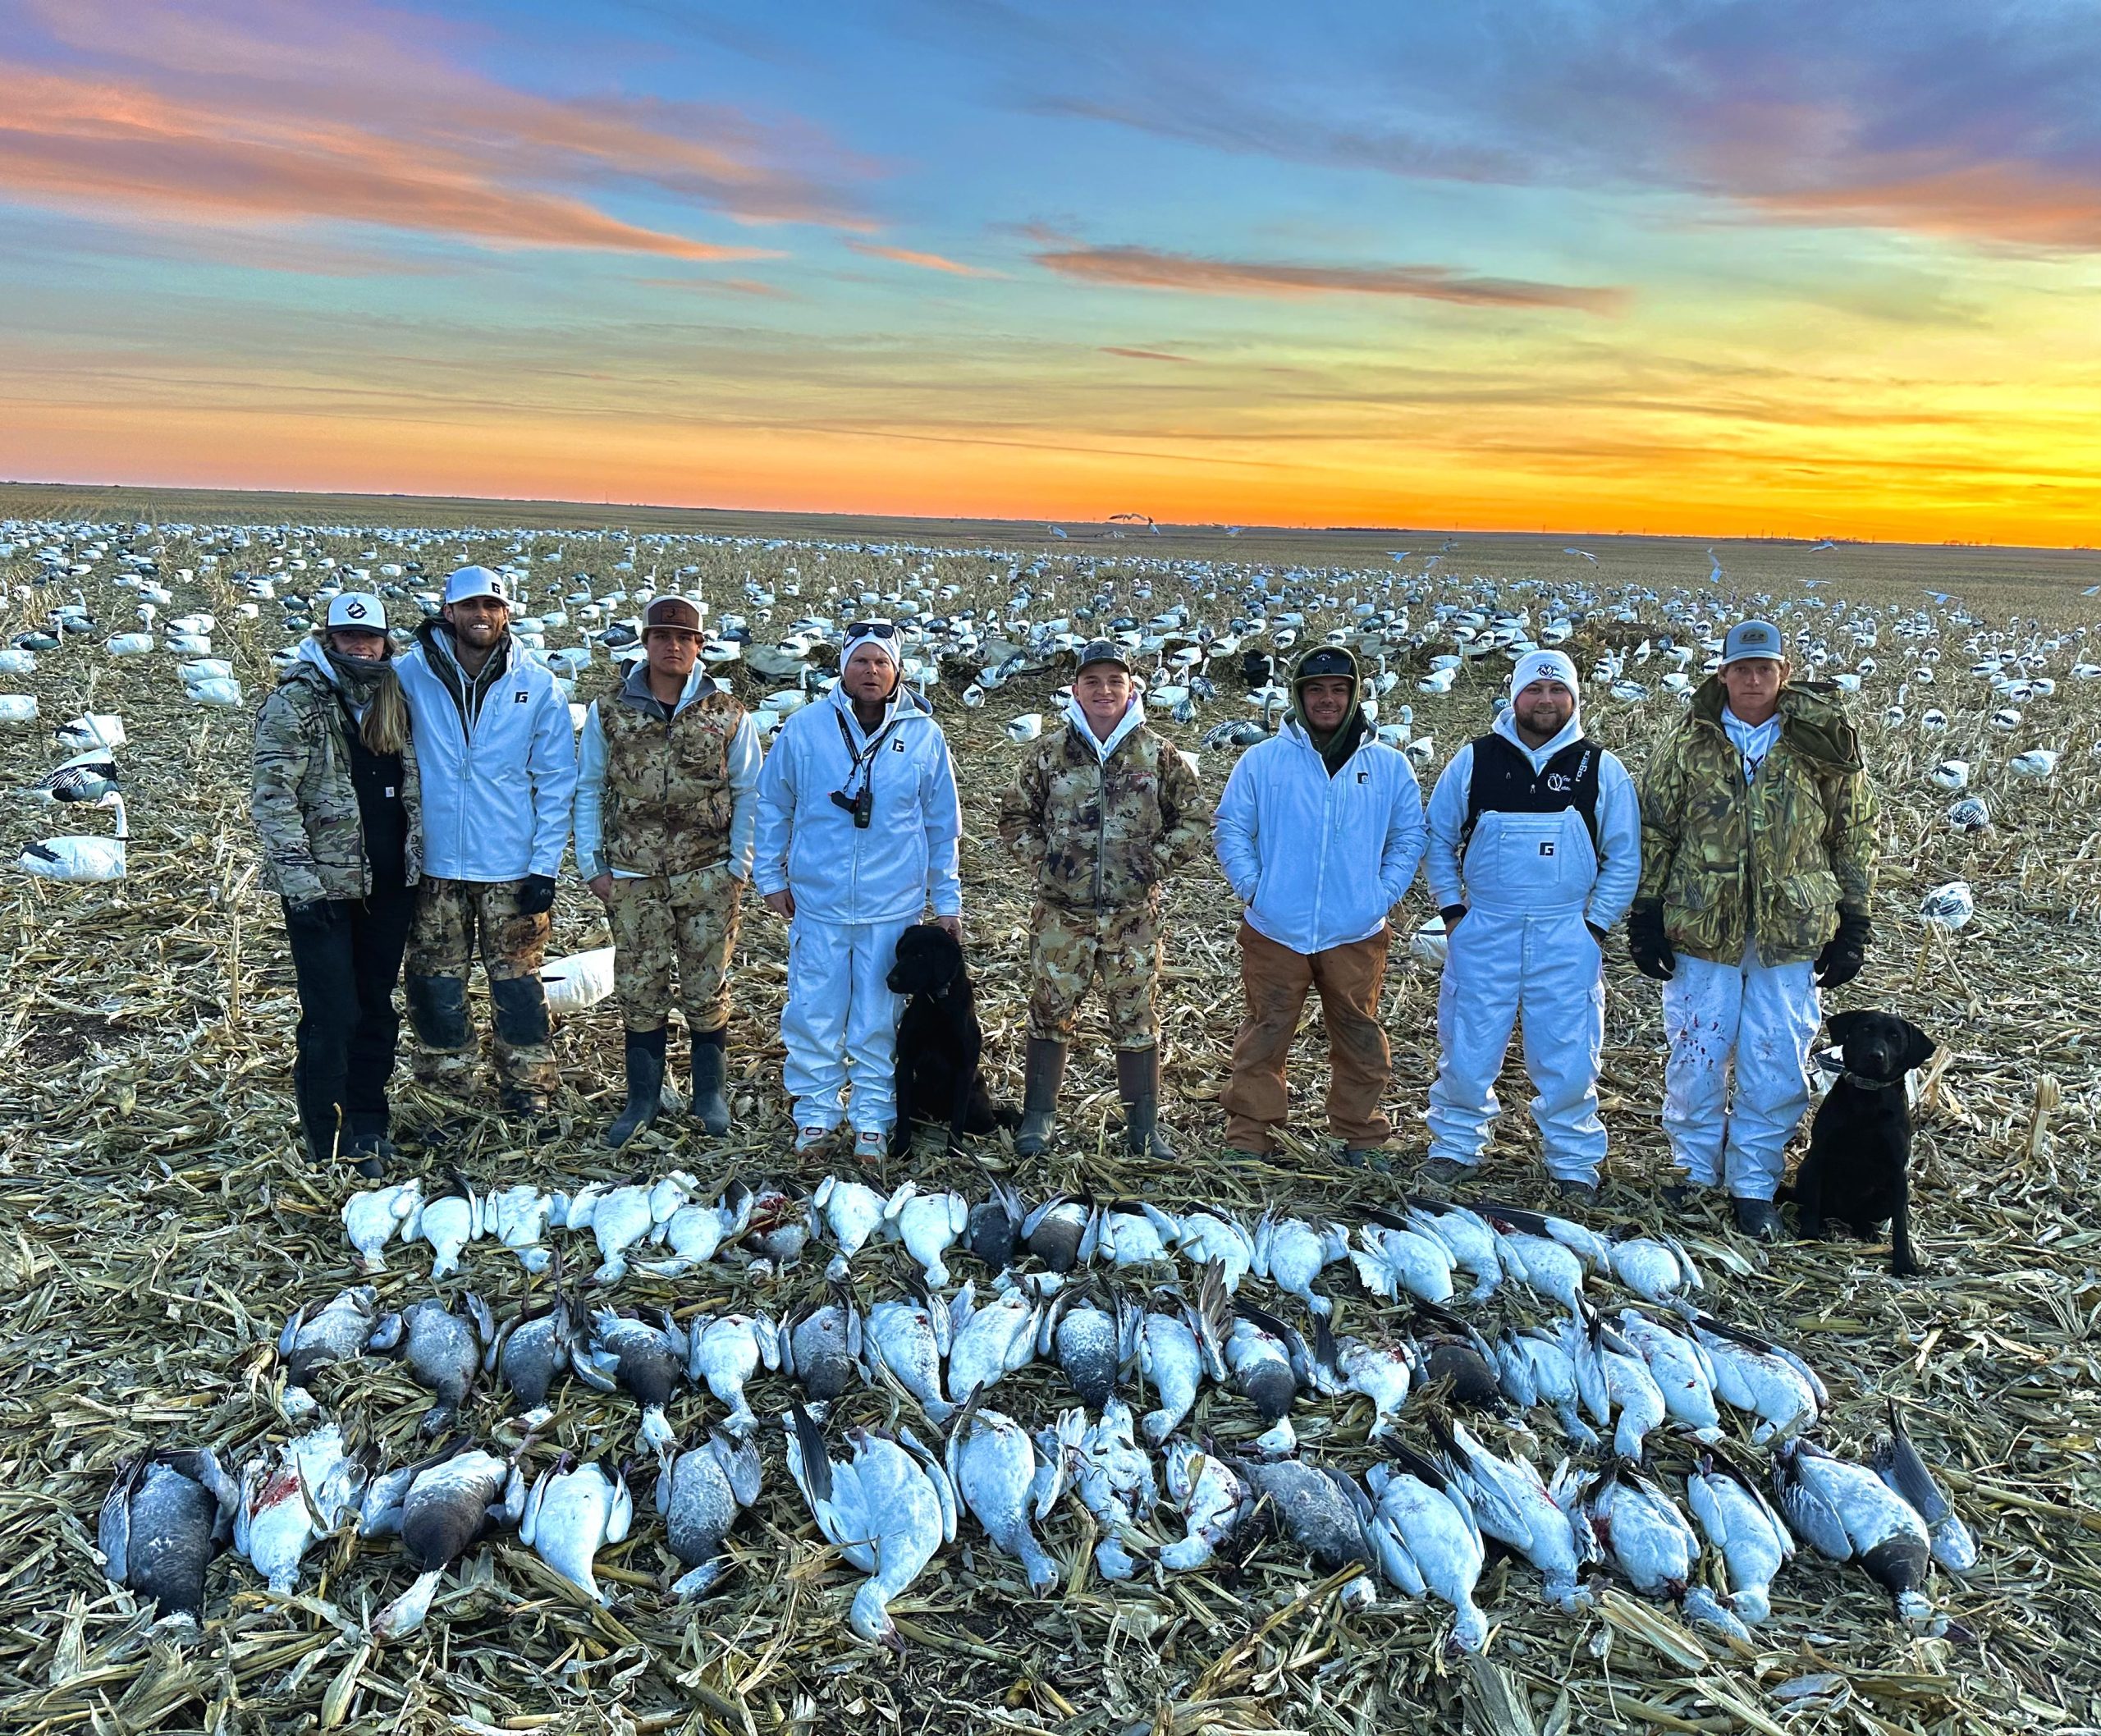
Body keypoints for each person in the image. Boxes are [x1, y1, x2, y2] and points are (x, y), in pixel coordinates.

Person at [1629, 618, 1878, 1239]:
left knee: (1777, 1060)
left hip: (1791, 931)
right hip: (1701, 926)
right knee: (1695, 1053)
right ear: (1723, 673)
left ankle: (1754, 1185)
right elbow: (1657, 827)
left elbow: (1853, 830)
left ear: (1783, 673)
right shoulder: (1689, 740)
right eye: (1741, 668)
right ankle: (1692, 1170)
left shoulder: (1820, 742)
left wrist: (1855, 918)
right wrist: (1647, 912)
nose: (1752, 679)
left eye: (1764, 668)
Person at [1420, 649, 1640, 1203]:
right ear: (1515, 696)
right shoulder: (1474, 761)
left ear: (1574, 699)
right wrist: (1453, 912)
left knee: (1568, 1056)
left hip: (1566, 933)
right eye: (1534, 690)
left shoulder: (1600, 768)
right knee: (1467, 1048)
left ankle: (1572, 1162)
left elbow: (1625, 857)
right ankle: (1454, 1147)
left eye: (1557, 690)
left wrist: (1595, 927)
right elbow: (1438, 839)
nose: (1546, 701)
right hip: (1484, 929)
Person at [753, 621, 962, 1162]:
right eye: (861, 661)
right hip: (818, 903)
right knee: (813, 1012)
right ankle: (816, 1116)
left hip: (889, 907)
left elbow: (943, 824)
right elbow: (773, 804)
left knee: (878, 1018)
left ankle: (872, 1118)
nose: (871, 672)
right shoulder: (805, 730)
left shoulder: (923, 736)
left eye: (881, 662)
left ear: (898, 672)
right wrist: (771, 877)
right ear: (842, 667)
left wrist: (948, 899)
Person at [998, 639, 1211, 1160]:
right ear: (1075, 689)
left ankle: (1143, 1130)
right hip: (1061, 917)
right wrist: (1049, 865)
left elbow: (1196, 819)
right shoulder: (1047, 754)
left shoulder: (1158, 754)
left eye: (1115, 680)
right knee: (1050, 1011)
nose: (1104, 690)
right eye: (1092, 681)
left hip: (1134, 917)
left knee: (1137, 1017)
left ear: (1132, 688)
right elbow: (1014, 818)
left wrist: (1152, 864)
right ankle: (1038, 1121)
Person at [1215, 644, 1426, 1165]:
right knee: (1265, 1031)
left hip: (1354, 930)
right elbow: (1232, 828)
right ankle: (1251, 1135)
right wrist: (1255, 888)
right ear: (1298, 696)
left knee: (1359, 1032)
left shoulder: (1389, 766)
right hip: (1275, 927)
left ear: (1355, 696)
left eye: (1338, 689)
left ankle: (1362, 1135)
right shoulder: (1263, 760)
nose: (1327, 700)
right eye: (1316, 690)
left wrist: (1381, 894)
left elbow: (1409, 835)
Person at [574, 594, 761, 1147]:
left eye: (684, 638)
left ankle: (709, 1095)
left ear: (700, 646)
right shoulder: (609, 710)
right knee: (639, 985)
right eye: (662, 636)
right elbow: (588, 787)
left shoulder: (728, 712)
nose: (672, 646)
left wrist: (740, 864)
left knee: (707, 984)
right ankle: (643, 1097)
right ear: (645, 642)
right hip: (632, 876)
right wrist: (593, 863)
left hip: (708, 874)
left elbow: (751, 791)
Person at [395, 566, 579, 1120]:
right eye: (470, 606)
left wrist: (544, 865)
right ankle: (446, 1087)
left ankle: (529, 1087)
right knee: (434, 980)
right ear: (447, 612)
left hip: (511, 866)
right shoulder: (409, 675)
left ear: (507, 614)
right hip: (434, 865)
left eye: (493, 606)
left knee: (519, 982)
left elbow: (556, 779)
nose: (483, 616)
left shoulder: (537, 683)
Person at [251, 592, 421, 1179]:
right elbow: (272, 797)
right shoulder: (296, 700)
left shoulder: (396, 695)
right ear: (329, 638)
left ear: (383, 641)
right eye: (348, 637)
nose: (359, 646)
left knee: (376, 1008)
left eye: (369, 637)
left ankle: (370, 1123)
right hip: (323, 889)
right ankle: (327, 1136)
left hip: (390, 883)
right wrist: (300, 885)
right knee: (332, 1013)